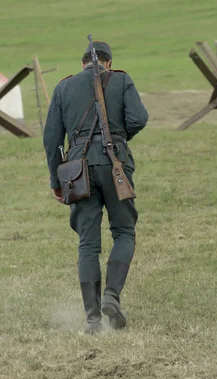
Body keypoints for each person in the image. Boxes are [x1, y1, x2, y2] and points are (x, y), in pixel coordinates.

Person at [43, 41, 148, 333]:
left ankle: (92, 319)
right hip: (116, 165)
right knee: (124, 232)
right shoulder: (122, 80)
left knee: (88, 244)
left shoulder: (63, 88)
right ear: (108, 63)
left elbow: (51, 141)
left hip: (78, 172)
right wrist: (117, 137)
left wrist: (56, 182)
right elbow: (139, 118)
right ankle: (111, 297)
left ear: (83, 64)